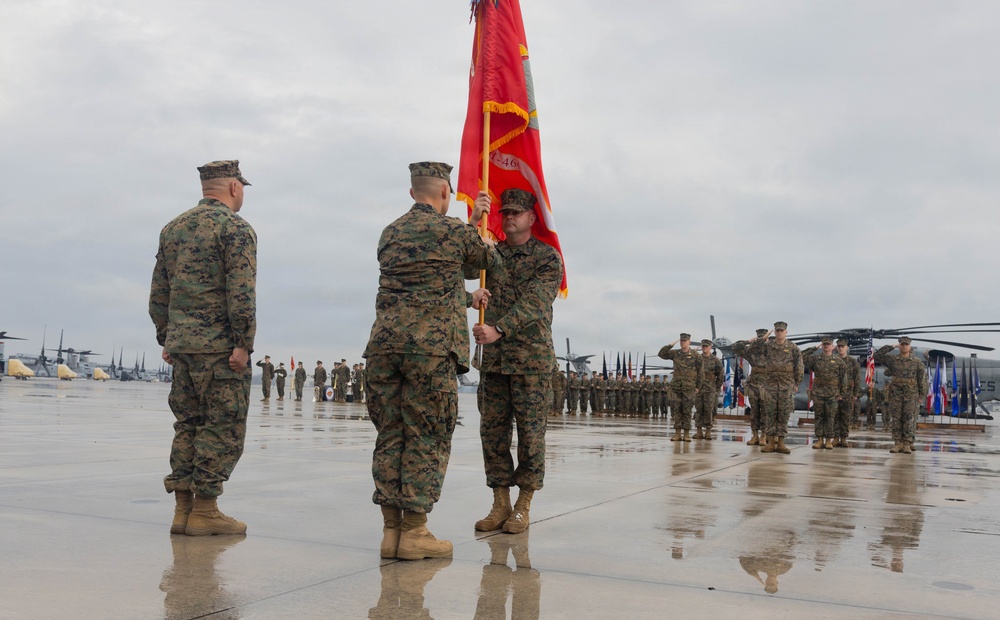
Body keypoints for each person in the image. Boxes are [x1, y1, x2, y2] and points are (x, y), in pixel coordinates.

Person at [364, 161, 500, 560]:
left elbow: (423, 283)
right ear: (445, 192)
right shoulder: (454, 231)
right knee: (426, 435)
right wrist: (478, 227)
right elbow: (484, 265)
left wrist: (464, 292)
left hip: (385, 348)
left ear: (412, 193)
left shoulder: (390, 233)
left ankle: (391, 532)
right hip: (430, 350)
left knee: (390, 434)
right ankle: (416, 532)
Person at [148, 159, 255, 536]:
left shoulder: (172, 229)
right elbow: (241, 292)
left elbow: (159, 291)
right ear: (233, 188)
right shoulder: (236, 229)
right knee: (222, 426)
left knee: (187, 424)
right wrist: (243, 343)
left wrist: (168, 337)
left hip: (183, 347)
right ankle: (206, 510)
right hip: (221, 350)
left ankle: (183, 510)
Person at [469, 188, 563, 535]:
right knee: (492, 435)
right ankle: (500, 503)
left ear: (531, 217)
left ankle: (523, 505)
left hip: (531, 363)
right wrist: (474, 220)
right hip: (494, 363)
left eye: (517, 213)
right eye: (504, 212)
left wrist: (499, 329)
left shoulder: (547, 257)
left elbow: (537, 302)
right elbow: (459, 263)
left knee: (530, 436)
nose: (509, 218)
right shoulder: (491, 254)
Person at [756, 322, 803, 455]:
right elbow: (754, 348)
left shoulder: (793, 348)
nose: (779, 333)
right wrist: (764, 337)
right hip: (770, 385)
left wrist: (796, 383)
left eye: (782, 331)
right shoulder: (768, 346)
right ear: (775, 332)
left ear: (786, 332)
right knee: (770, 414)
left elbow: (799, 366)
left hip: (786, 386)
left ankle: (781, 442)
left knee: (783, 414)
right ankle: (770, 442)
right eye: (777, 331)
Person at [874, 337, 927, 454]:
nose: (904, 346)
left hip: (911, 394)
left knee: (908, 418)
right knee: (897, 418)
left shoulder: (916, 362)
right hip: (896, 394)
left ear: (910, 346)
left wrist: (921, 395)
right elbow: (876, 356)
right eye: (902, 344)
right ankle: (897, 443)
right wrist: (891, 346)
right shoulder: (893, 360)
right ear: (899, 346)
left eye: (906, 344)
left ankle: (907, 443)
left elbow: (922, 379)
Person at [802, 338, 847, 450]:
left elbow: (843, 379)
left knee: (830, 417)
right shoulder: (816, 359)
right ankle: (820, 440)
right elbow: (801, 356)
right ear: (822, 346)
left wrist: (842, 393)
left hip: (832, 394)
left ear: (833, 347)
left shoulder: (839, 362)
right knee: (819, 417)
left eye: (828, 344)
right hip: (818, 393)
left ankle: (828, 440)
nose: (826, 346)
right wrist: (814, 347)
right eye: (824, 344)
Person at [658, 333, 705, 442]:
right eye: (681, 341)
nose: (683, 342)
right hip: (676, 387)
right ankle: (677, 434)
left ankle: (687, 434)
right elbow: (661, 354)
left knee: (687, 410)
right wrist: (671, 344)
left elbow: (701, 372)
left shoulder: (696, 355)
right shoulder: (675, 354)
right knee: (677, 410)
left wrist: (698, 386)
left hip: (689, 387)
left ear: (689, 342)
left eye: (685, 341)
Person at [733, 329, 769, 445]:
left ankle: (764, 435)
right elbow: (735, 347)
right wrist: (748, 341)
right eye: (759, 338)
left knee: (765, 412)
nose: (761, 341)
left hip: (766, 385)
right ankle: (755, 436)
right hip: (753, 384)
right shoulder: (751, 351)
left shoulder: (771, 350)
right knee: (754, 412)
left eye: (762, 338)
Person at [695, 339, 724, 439]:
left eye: (706, 346)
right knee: (699, 410)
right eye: (703, 346)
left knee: (708, 409)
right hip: (698, 388)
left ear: (710, 347)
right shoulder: (698, 359)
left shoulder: (715, 360)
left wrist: (716, 388)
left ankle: (708, 431)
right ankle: (699, 431)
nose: (704, 348)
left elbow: (720, 375)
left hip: (710, 388)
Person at [836, 338, 863, 445]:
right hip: (835, 391)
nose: (841, 348)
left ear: (847, 348)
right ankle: (835, 438)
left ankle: (843, 438)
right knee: (834, 416)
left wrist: (855, 393)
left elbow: (857, 378)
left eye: (843, 346)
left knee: (846, 416)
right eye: (839, 346)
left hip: (848, 392)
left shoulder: (853, 362)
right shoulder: (834, 360)